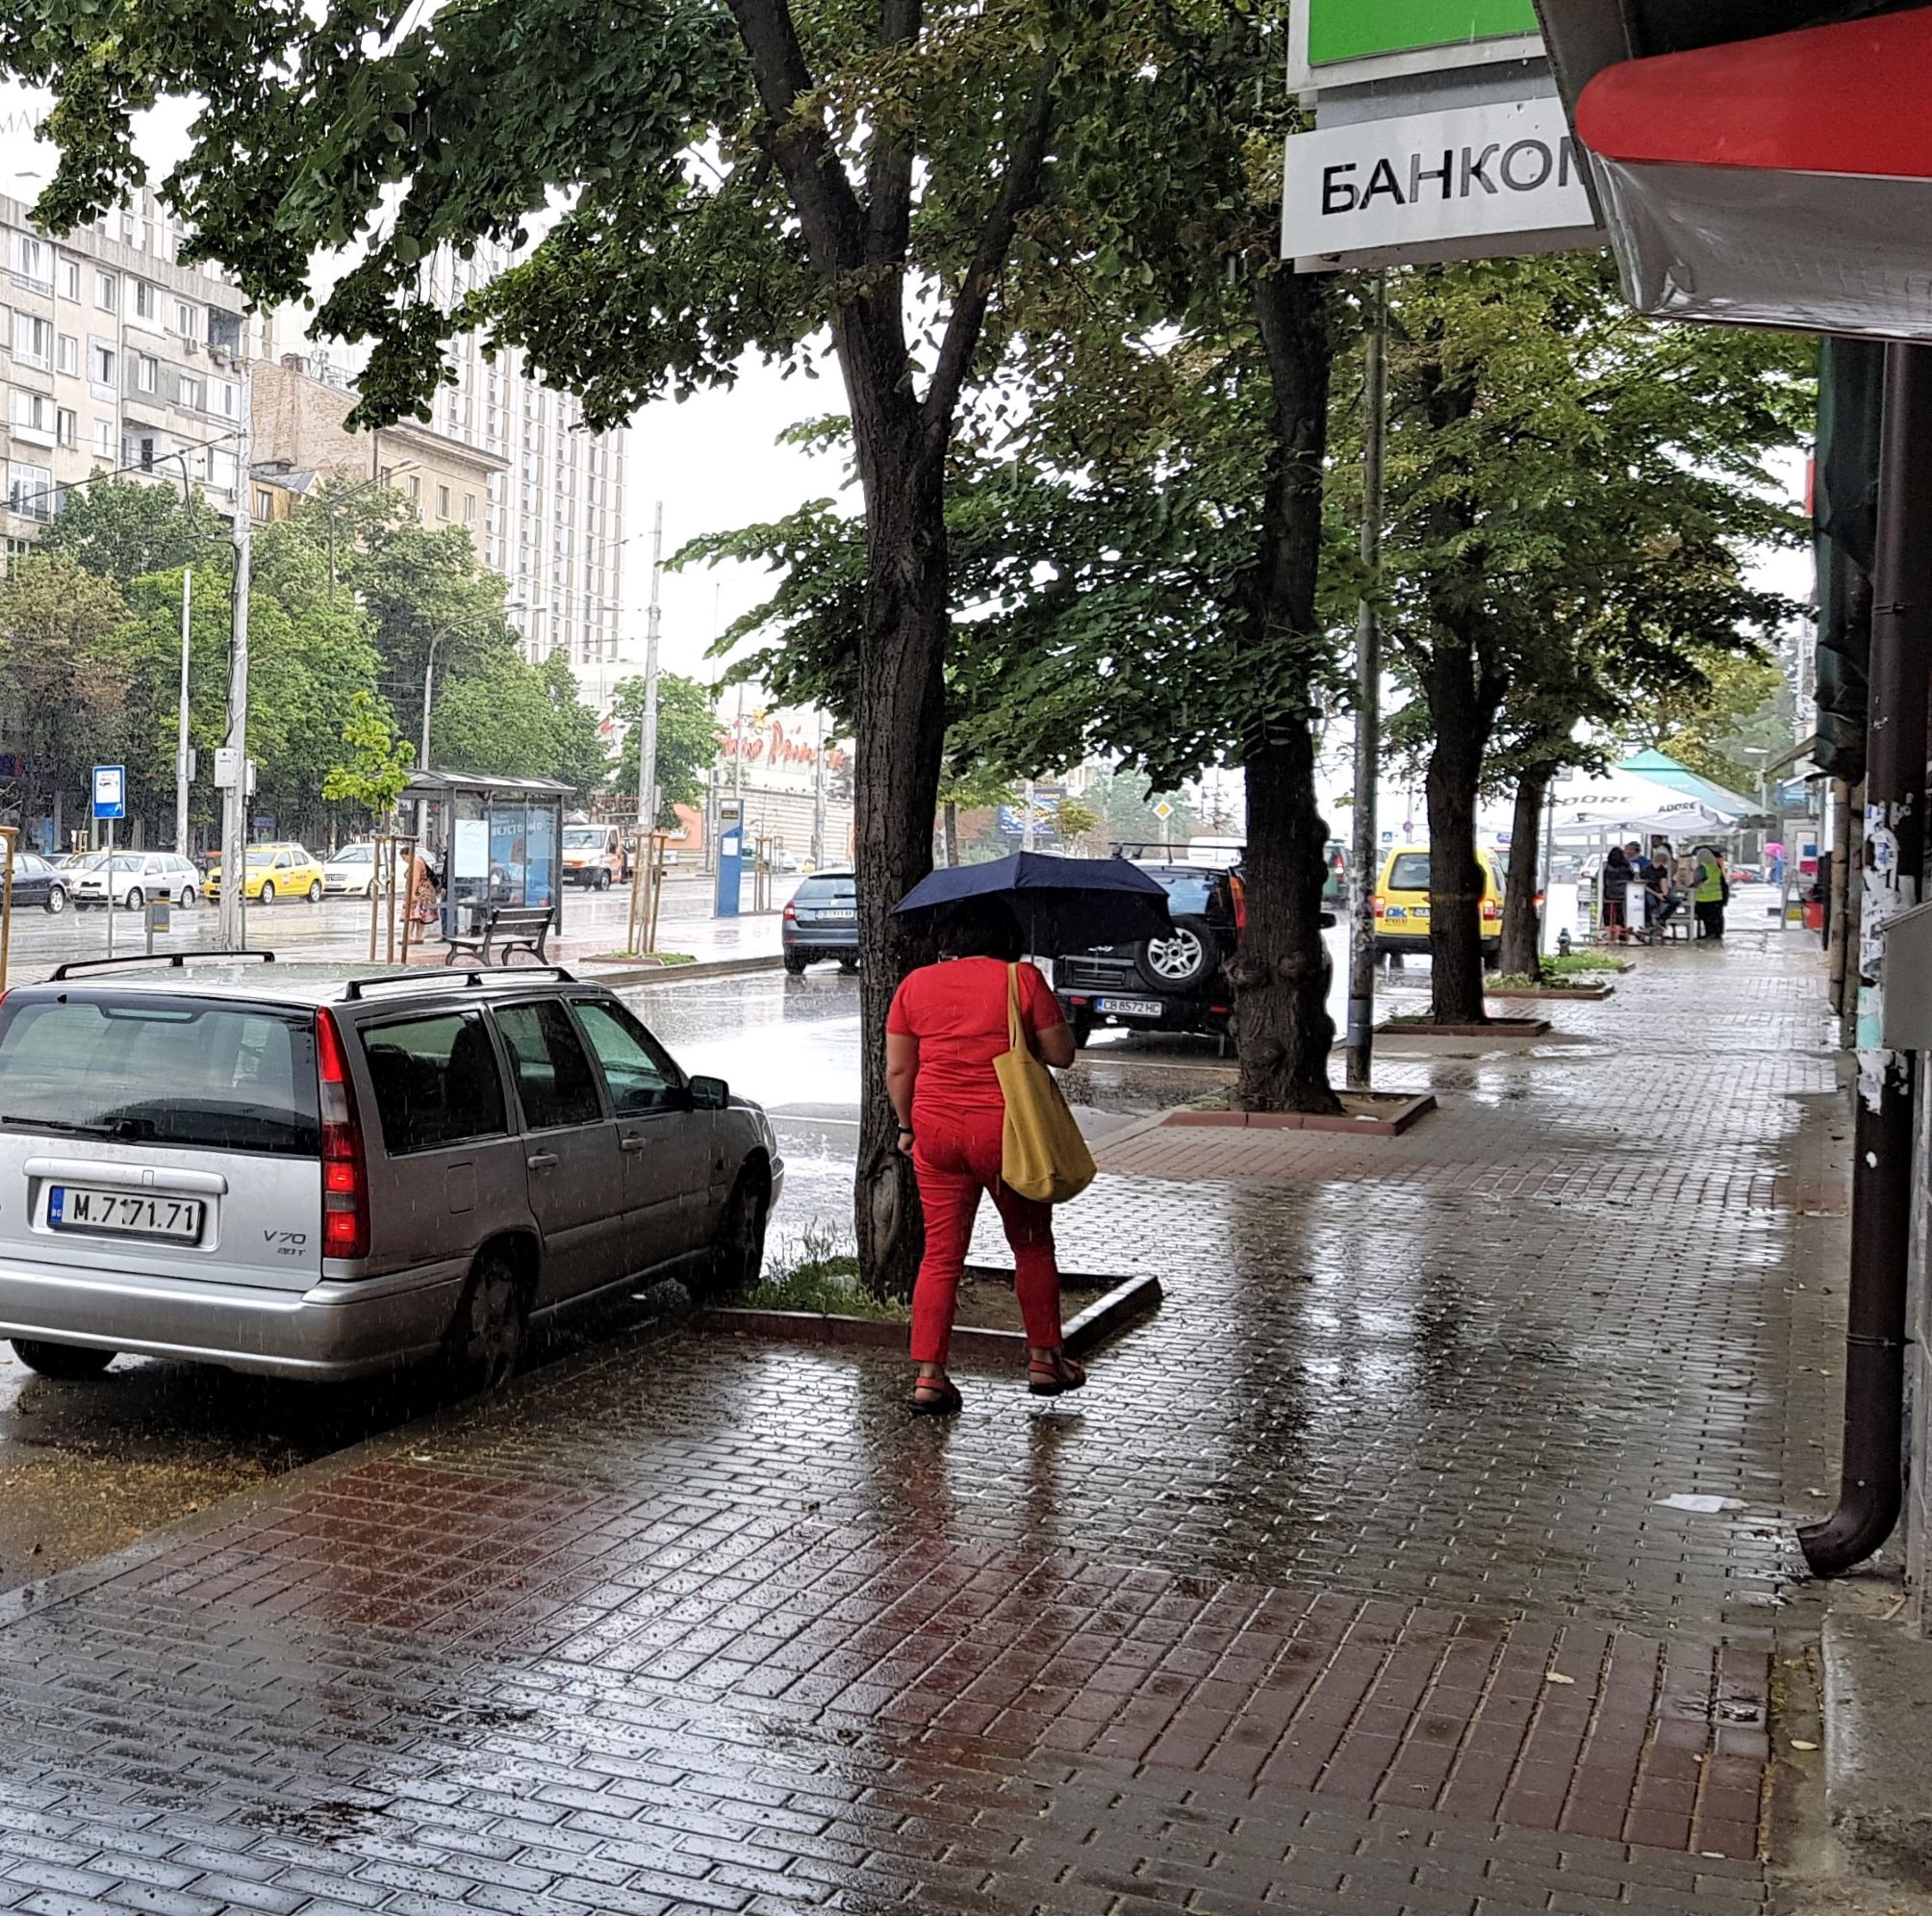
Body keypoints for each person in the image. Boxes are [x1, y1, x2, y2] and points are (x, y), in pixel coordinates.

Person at [885, 896, 1084, 1414]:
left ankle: (929, 1376)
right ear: (1007, 935)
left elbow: (899, 1071)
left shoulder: (914, 985)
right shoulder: (1022, 981)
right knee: (1032, 1245)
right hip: (1009, 1133)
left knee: (942, 1254)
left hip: (935, 1131)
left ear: (948, 938)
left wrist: (907, 1128)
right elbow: (1062, 1055)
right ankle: (1045, 1359)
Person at [1693, 844, 1729, 939]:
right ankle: (1718, 933)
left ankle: (1710, 933)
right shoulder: (1716, 867)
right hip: (1718, 896)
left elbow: (1696, 881)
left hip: (1704, 898)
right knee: (1717, 916)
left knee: (1707, 918)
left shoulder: (1702, 867)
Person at [1602, 844, 1634, 943]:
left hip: (1609, 894)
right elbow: (1632, 878)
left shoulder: (1606, 867)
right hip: (1623, 895)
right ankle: (1618, 934)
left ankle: (1608, 935)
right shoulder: (1626, 866)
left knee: (1608, 912)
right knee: (1619, 913)